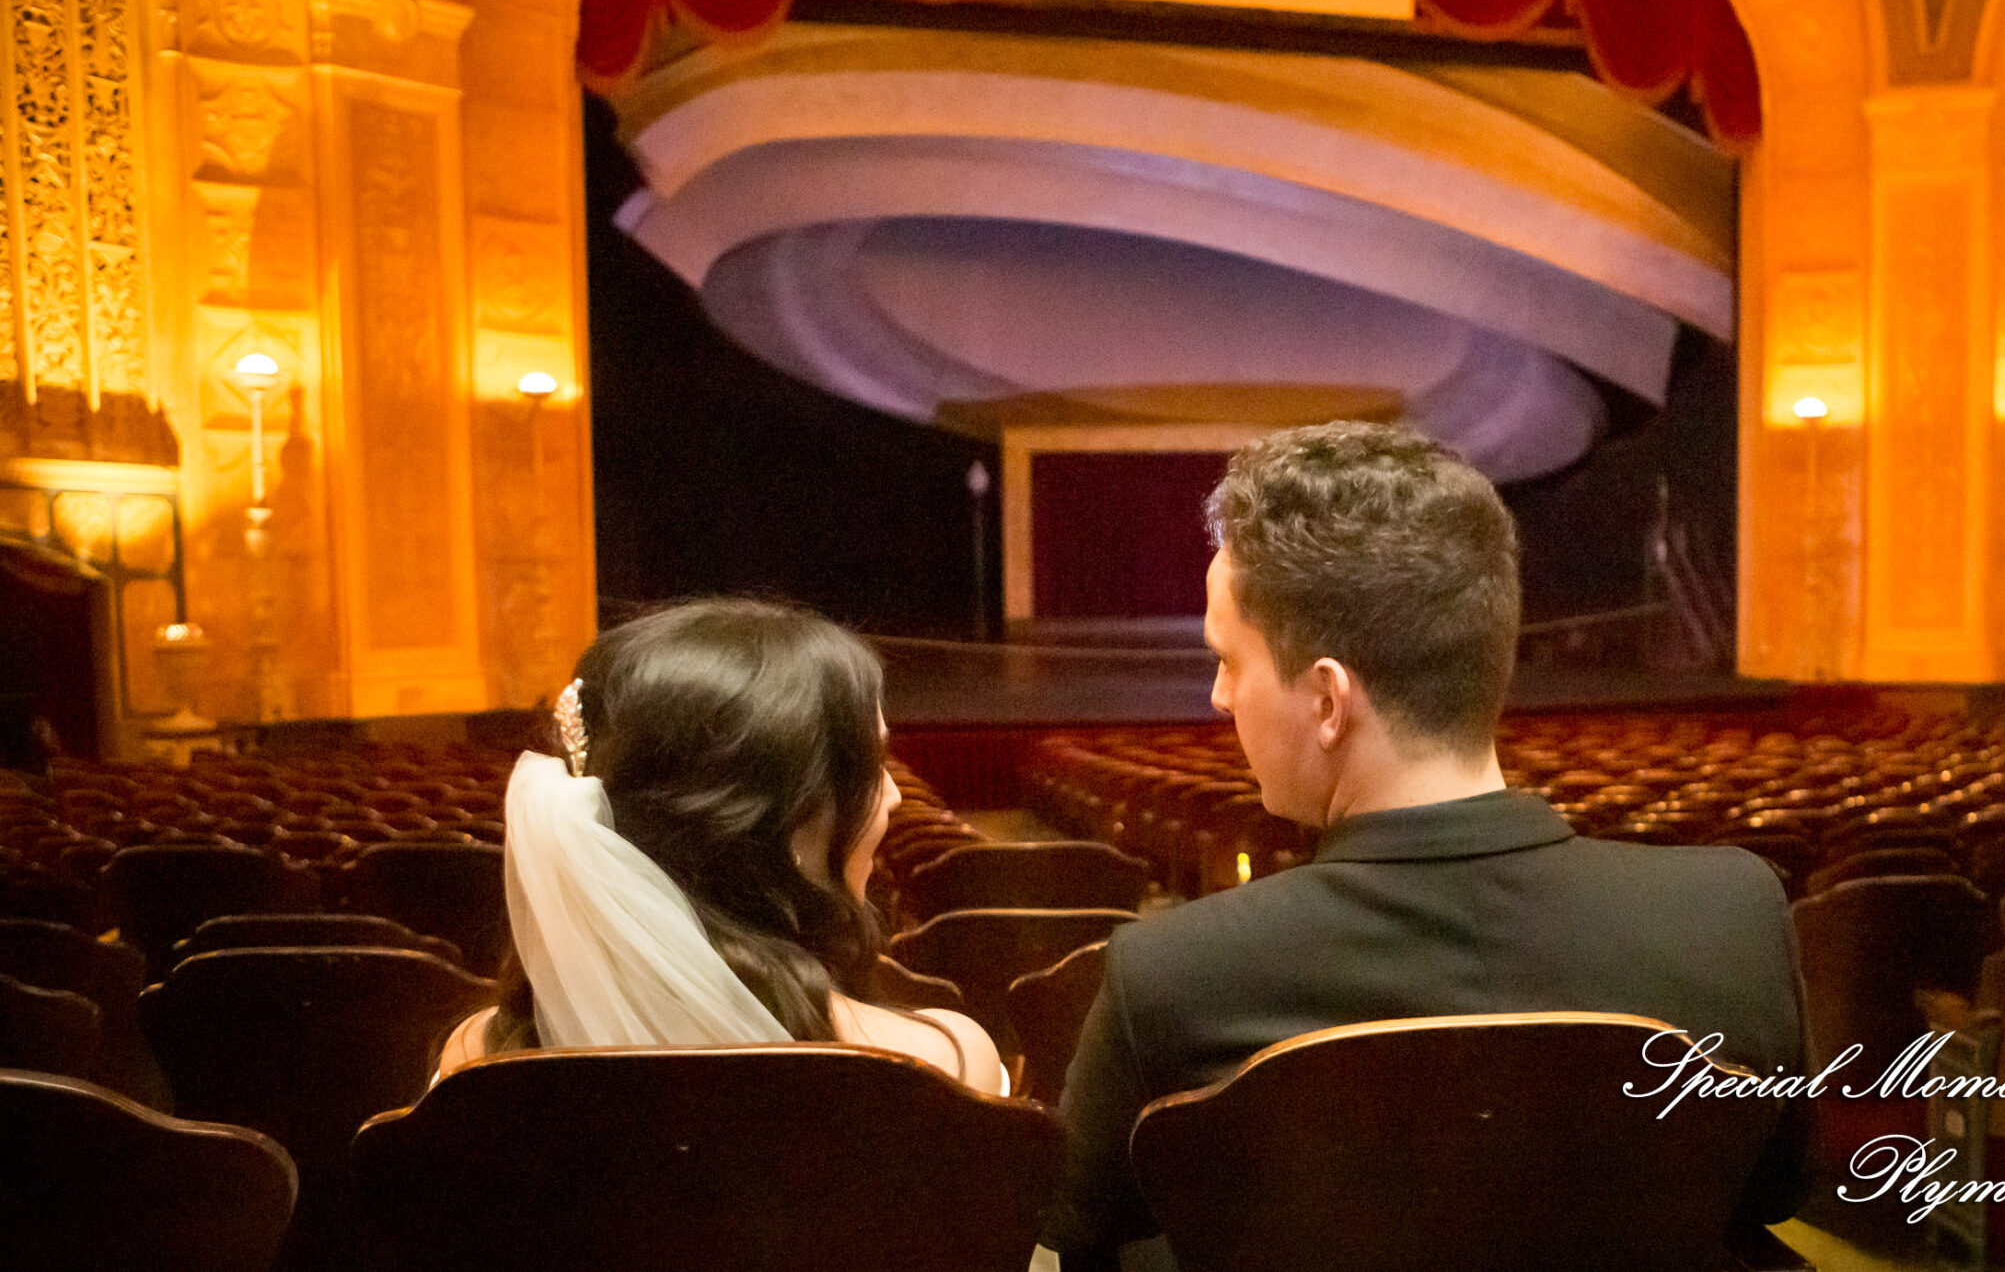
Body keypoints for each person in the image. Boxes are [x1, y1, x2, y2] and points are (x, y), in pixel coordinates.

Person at [1043, 422, 1810, 1267]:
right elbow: (1774, 1196)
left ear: (1328, 700)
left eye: (1228, 659)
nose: (1219, 696)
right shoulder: (1734, 916)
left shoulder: (1170, 977)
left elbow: (1067, 1238)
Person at [438, 598, 1005, 1094]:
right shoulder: (943, 1068)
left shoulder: (470, 1070)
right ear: (782, 829)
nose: (892, 799)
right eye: (872, 767)